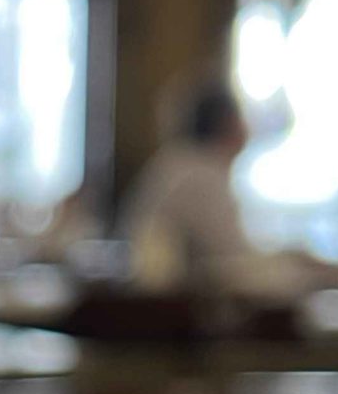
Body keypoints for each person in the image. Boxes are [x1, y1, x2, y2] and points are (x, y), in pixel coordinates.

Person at [122, 74, 309, 299]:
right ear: (228, 121)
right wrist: (304, 270)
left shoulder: (180, 162)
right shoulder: (200, 175)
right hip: (167, 310)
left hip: (163, 304)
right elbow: (233, 261)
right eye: (243, 116)